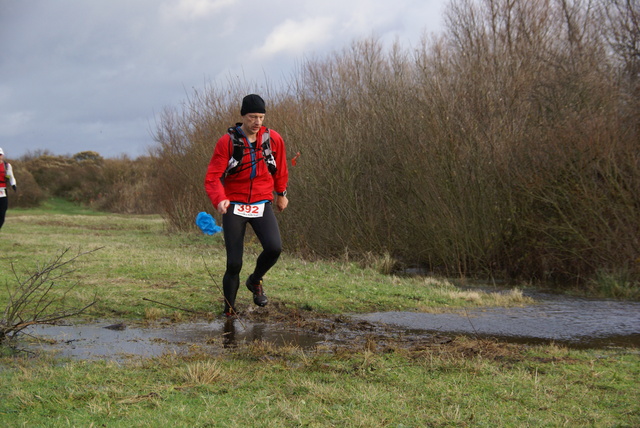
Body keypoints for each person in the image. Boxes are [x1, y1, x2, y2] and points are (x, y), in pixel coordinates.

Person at [204, 94, 289, 316]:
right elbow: (213, 177)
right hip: (234, 204)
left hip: (261, 202)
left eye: (261, 117)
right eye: (252, 117)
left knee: (274, 248)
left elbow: (280, 169)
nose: (257, 121)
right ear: (243, 116)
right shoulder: (228, 142)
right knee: (234, 263)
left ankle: (254, 281)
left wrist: (281, 194)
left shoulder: (273, 139)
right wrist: (219, 198)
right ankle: (229, 312)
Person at [0, 147, 18, 231]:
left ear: (2, 155)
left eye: (0, 154)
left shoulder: (7, 166)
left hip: (3, 191)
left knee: (2, 213)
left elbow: (11, 177)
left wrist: (13, 185)